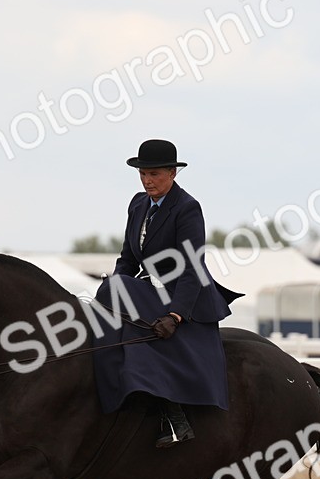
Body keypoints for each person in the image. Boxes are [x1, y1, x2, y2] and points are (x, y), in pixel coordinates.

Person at [92, 139, 241, 448]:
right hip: (148, 291)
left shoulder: (186, 208)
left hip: (184, 297)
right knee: (107, 294)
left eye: (155, 174)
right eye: (143, 174)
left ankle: (172, 413)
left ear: (173, 173)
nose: (148, 181)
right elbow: (128, 259)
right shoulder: (137, 204)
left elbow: (191, 267)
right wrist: (115, 291)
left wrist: (175, 314)